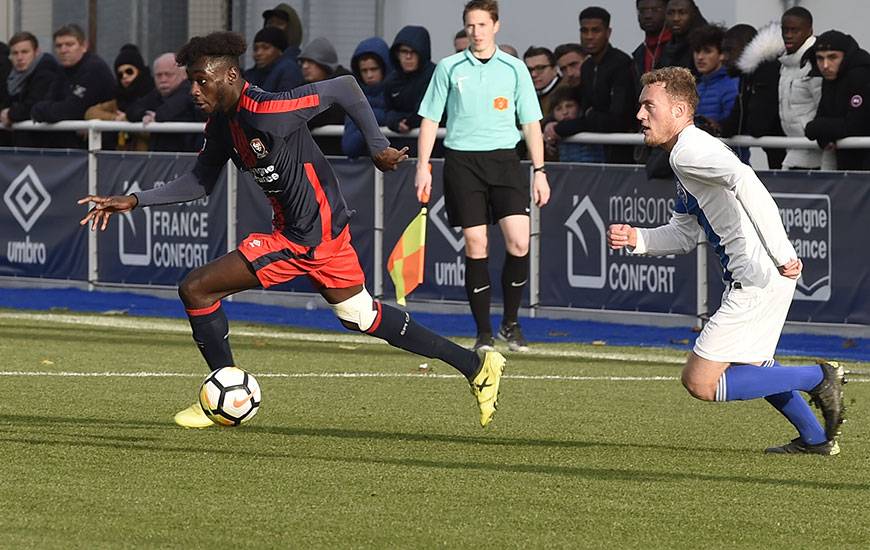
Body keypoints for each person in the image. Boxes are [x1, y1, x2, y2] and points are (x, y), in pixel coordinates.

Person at [78, 31, 505, 430]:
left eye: (201, 81)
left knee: (196, 288)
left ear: (230, 75)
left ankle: (222, 392)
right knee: (361, 315)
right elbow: (197, 182)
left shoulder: (266, 111)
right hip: (316, 231)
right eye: (191, 82)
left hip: (308, 236)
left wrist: (377, 149)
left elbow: (344, 87)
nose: (194, 90)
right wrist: (133, 200)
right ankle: (476, 367)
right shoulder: (223, 126)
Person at [610, 66, 846, 455]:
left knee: (700, 382)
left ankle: (819, 376)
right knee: (756, 367)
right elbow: (684, 234)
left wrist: (783, 251)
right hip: (761, 275)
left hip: (758, 277)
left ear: (680, 110)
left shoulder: (689, 149)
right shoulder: (685, 154)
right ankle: (816, 439)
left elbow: (746, 179)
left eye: (649, 106)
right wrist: (639, 238)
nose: (639, 115)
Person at [416, 0, 550, 352]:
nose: (476, 32)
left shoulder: (514, 68)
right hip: (462, 162)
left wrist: (540, 171)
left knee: (519, 241)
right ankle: (483, 334)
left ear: (496, 26)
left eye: (482, 25)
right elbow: (430, 118)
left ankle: (511, 323)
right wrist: (422, 166)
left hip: (506, 161)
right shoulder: (448, 67)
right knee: (477, 244)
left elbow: (531, 123)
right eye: (470, 26)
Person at [544, 7, 636, 164]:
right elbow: (582, 111)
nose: (589, 36)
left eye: (595, 31)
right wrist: (551, 125)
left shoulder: (621, 63)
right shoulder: (586, 67)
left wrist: (562, 128)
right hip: (594, 156)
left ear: (608, 32)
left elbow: (617, 120)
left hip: (621, 157)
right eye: (584, 31)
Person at [30, 23, 115, 148]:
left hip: (99, 149)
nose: (63, 50)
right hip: (71, 148)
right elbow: (48, 101)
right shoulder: (63, 70)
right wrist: (41, 109)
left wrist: (43, 109)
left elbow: (72, 110)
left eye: (69, 45)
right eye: (59, 46)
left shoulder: (93, 68)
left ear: (84, 46)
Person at [719, 22, 785, 168]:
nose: (723, 57)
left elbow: (758, 126)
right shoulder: (749, 74)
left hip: (792, 153)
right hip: (779, 152)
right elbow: (737, 123)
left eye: (729, 50)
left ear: (748, 46)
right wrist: (716, 128)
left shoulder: (769, 70)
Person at [805, 30, 870, 170]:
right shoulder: (831, 79)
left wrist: (817, 128)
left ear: (846, 57)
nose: (825, 65)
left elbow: (855, 126)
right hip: (847, 166)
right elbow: (823, 115)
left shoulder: (861, 77)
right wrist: (823, 135)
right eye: (820, 58)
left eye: (832, 57)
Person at [125, 53, 206, 152]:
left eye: (168, 74)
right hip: (160, 159)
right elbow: (132, 110)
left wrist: (155, 117)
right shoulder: (157, 94)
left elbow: (171, 109)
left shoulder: (192, 92)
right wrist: (144, 115)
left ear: (183, 75)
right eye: (159, 75)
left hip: (187, 158)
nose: (163, 79)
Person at [85, 44, 155, 151]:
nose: (125, 76)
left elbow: (152, 131)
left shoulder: (152, 95)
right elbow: (90, 113)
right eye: (120, 74)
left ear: (139, 70)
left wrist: (127, 120)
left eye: (129, 71)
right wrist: (116, 119)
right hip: (121, 158)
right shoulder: (119, 99)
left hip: (146, 159)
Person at [778, 7, 822, 170]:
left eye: (794, 30)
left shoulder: (817, 62)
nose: (788, 35)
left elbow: (823, 106)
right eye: (785, 30)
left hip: (816, 154)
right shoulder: (785, 63)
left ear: (810, 30)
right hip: (792, 150)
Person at [0, 31, 61, 147]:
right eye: (15, 53)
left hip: (44, 145)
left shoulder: (46, 73)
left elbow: (34, 104)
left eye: (25, 52)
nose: (20, 58)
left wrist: (11, 114)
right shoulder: (12, 77)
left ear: (36, 52)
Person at [342, 37, 392, 158]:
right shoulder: (354, 99)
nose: (369, 75)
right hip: (366, 170)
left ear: (385, 67)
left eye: (374, 69)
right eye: (364, 70)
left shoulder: (397, 93)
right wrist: (378, 117)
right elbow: (349, 147)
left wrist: (366, 121)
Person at [384, 26, 436, 138]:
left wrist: (406, 121)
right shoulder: (391, 80)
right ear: (397, 54)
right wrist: (395, 121)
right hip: (399, 144)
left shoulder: (434, 76)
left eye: (413, 52)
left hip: (430, 145)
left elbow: (425, 111)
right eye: (404, 51)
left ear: (422, 53)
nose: (408, 57)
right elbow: (387, 111)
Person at [690, 24, 738, 124]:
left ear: (722, 54)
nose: (700, 57)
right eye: (697, 51)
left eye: (707, 51)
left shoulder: (732, 85)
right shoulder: (697, 87)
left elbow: (731, 126)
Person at [548, 86, 604, 163]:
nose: (565, 112)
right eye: (558, 108)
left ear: (579, 107)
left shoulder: (591, 124)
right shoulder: (550, 131)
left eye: (569, 106)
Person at [243, 26, 302, 92]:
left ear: (280, 51)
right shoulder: (252, 73)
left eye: (265, 48)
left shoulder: (289, 69)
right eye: (255, 49)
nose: (258, 53)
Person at [632, 0, 671, 88]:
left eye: (655, 10)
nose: (647, 16)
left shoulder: (678, 47)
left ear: (667, 11)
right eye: (642, 11)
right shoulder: (638, 54)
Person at [660, 0, 707, 72]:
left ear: (693, 14)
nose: (676, 18)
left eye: (682, 13)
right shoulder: (666, 48)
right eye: (670, 13)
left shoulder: (703, 44)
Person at [523, 46, 563, 118]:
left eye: (540, 68)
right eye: (529, 70)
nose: (533, 74)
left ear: (555, 69)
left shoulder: (567, 91)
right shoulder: (525, 94)